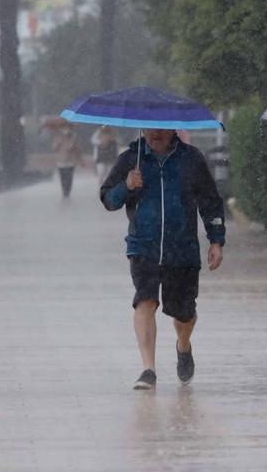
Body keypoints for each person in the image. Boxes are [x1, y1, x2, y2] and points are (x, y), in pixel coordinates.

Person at [100, 128, 225, 390]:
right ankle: (148, 368)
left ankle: (183, 345)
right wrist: (127, 186)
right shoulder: (130, 159)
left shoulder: (191, 159)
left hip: (182, 249)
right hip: (143, 246)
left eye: (161, 129)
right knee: (144, 300)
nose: (155, 134)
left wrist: (216, 240)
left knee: (184, 313)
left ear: (173, 129)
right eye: (150, 128)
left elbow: (210, 200)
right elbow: (109, 200)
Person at [52, 124, 83, 198]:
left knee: (69, 178)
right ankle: (64, 192)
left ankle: (68, 192)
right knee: (63, 177)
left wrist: (80, 159)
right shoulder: (57, 137)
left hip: (70, 161)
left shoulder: (73, 137)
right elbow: (54, 148)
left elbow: (77, 149)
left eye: (67, 128)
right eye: (64, 128)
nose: (66, 130)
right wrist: (58, 143)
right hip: (61, 161)